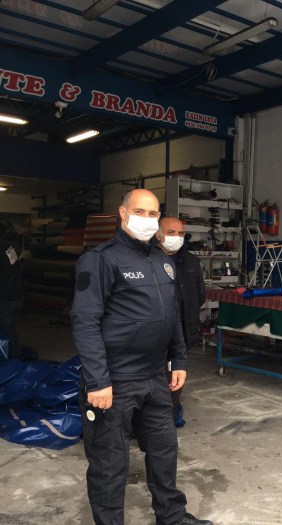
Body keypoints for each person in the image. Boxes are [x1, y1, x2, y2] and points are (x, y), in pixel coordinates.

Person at [71, 189, 211, 525]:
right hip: (114, 381)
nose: (147, 220)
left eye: (153, 214)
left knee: (164, 450)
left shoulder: (163, 262)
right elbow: (85, 322)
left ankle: (171, 516)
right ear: (122, 213)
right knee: (109, 462)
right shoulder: (100, 259)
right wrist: (98, 380)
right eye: (140, 212)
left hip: (154, 378)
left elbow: (172, 317)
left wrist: (179, 360)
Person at [155, 217, 206, 427]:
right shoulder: (148, 259)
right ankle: (147, 423)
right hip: (155, 334)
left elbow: (200, 295)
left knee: (175, 379)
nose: (176, 237)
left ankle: (167, 419)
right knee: (154, 380)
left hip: (183, 332)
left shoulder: (191, 261)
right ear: (158, 234)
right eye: (171, 233)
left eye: (180, 233)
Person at [0, 238, 24, 360]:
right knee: (9, 328)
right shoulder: (8, 246)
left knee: (7, 330)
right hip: (14, 294)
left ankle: (13, 360)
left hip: (5, 298)